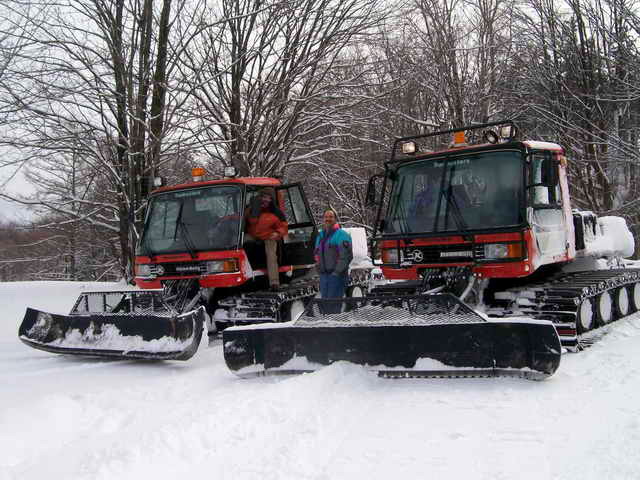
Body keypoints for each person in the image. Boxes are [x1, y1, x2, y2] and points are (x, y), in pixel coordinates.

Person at [244, 188, 288, 290]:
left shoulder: (276, 212)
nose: (265, 200)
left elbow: (284, 226)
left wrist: (277, 233)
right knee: (239, 242)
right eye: (263, 197)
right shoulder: (252, 209)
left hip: (269, 236)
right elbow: (240, 218)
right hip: (253, 235)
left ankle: (274, 282)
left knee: (271, 254)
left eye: (267, 198)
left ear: (271, 199)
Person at [315, 209, 353, 299]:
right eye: (326, 217)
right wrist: (318, 268)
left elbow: (346, 256)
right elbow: (316, 254)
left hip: (337, 276)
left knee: (334, 305)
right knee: (325, 306)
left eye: (331, 217)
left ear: (335, 219)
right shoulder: (320, 236)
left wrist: (336, 273)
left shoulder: (341, 235)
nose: (328, 219)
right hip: (324, 276)